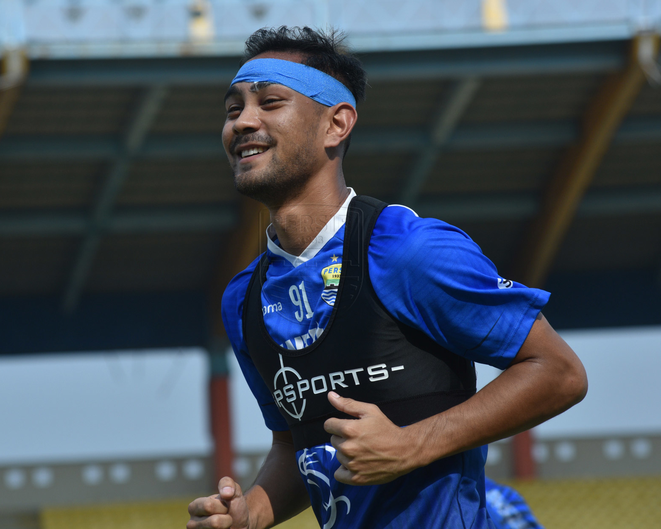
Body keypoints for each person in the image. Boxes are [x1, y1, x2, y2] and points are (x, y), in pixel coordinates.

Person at [188, 26, 587, 529]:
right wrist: (252, 513)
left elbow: (559, 372)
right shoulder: (242, 300)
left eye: (270, 102)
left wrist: (412, 444)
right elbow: (296, 445)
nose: (243, 121)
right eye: (232, 110)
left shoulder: (408, 250)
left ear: (337, 124)